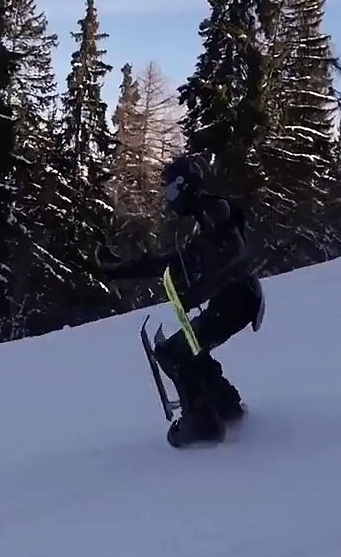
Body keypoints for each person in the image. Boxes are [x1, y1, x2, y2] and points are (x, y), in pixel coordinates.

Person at [97, 152, 265, 445]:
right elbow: (176, 260)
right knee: (184, 349)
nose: (169, 197)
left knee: (174, 353)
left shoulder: (213, 210)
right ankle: (224, 404)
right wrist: (121, 269)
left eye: (172, 189)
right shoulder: (206, 214)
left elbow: (230, 249)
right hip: (235, 299)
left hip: (236, 300)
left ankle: (201, 423)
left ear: (185, 186)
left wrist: (206, 276)